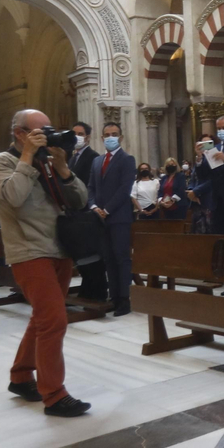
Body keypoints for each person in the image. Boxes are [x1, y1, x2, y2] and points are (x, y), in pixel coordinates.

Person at [0, 109, 91, 417]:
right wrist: (27, 157)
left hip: (60, 248)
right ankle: (55, 395)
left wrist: (62, 167)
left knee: (42, 319)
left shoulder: (50, 161)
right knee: (54, 321)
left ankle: (20, 377)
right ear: (20, 134)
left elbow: (80, 200)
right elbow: (12, 197)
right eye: (40, 130)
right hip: (29, 252)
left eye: (49, 128)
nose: (48, 134)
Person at [87, 122, 136, 317]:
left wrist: (107, 209)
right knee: (108, 258)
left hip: (119, 217)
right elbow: (90, 187)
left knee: (121, 258)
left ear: (121, 137)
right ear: (101, 138)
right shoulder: (97, 161)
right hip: (100, 218)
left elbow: (125, 189)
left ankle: (124, 298)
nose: (110, 137)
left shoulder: (127, 159)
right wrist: (93, 206)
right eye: (107, 134)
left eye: (114, 134)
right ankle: (113, 296)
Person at [69, 122, 106, 300]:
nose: (77, 136)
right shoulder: (71, 157)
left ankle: (96, 292)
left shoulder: (93, 157)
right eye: (74, 133)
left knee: (91, 256)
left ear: (88, 137)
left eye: (80, 133)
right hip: (73, 212)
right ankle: (86, 289)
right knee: (80, 256)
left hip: (86, 212)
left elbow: (92, 185)